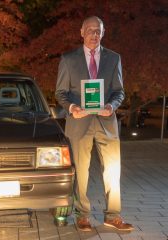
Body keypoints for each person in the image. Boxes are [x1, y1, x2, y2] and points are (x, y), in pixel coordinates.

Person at [55, 16, 134, 231]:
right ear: (81, 32)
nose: (94, 34)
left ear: (103, 32)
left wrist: (111, 106)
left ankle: (113, 215)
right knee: (80, 171)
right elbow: (60, 93)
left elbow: (119, 92)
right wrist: (72, 108)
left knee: (113, 170)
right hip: (79, 123)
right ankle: (82, 215)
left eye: (98, 30)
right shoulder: (69, 59)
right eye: (90, 30)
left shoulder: (114, 58)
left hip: (107, 122)